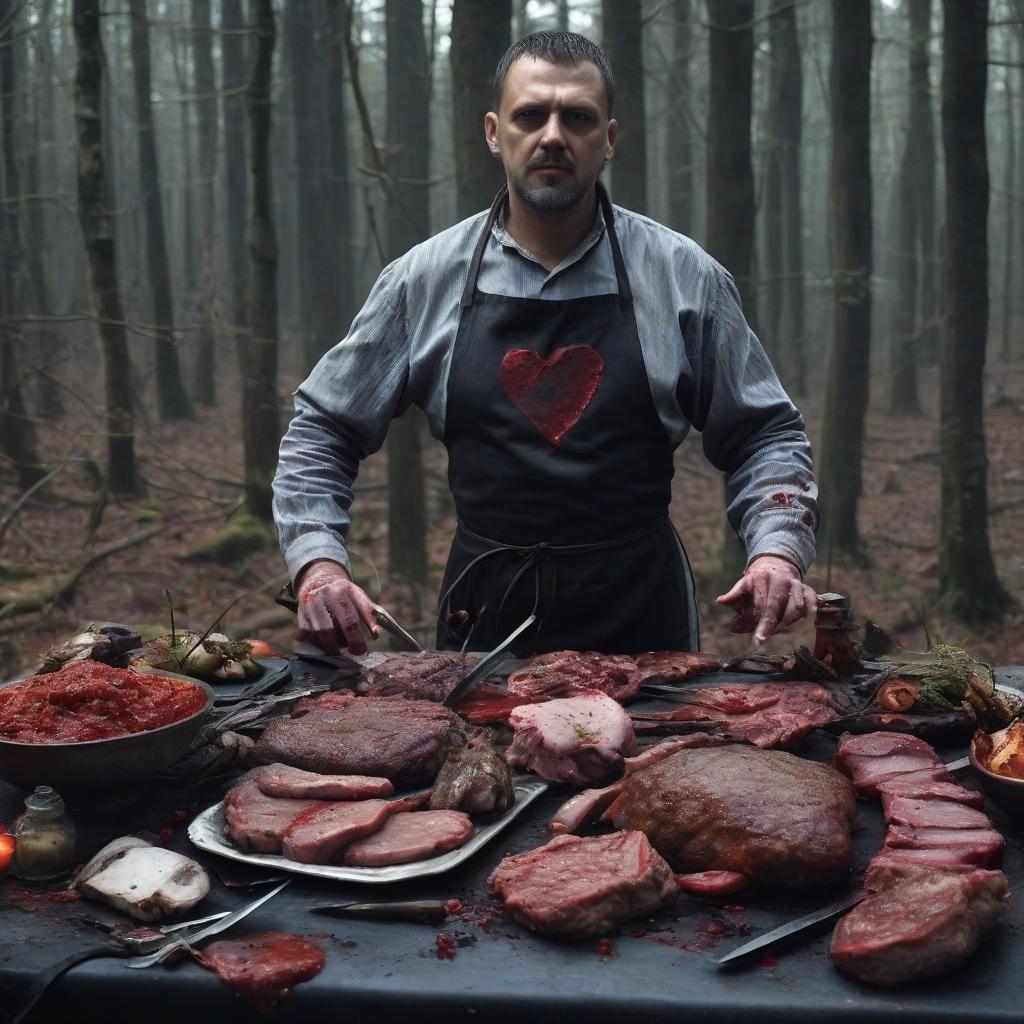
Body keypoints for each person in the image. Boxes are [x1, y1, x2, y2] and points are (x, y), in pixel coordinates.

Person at [272, 31, 818, 658]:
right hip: (485, 617)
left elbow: (765, 433)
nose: (553, 135)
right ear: (493, 132)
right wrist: (319, 563)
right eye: (530, 115)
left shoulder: (682, 277)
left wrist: (777, 548)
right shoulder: (424, 280)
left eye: (578, 118)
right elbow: (323, 428)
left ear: (608, 139)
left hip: (641, 618)